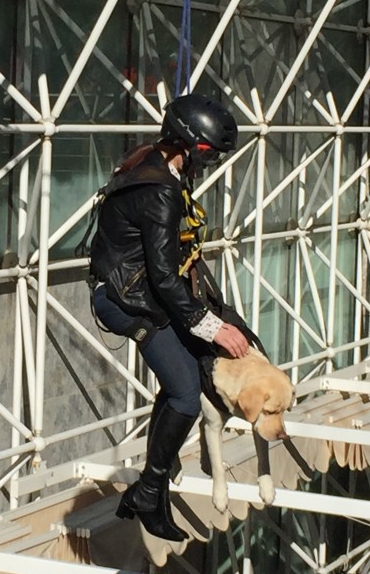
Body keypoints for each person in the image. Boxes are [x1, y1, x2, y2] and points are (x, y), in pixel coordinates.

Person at [88, 93, 250, 542]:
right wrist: (214, 326)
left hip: (140, 294)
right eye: (207, 153)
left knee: (182, 376)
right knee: (184, 392)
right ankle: (148, 491)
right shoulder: (159, 189)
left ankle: (149, 490)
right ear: (188, 144)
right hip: (126, 303)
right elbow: (161, 277)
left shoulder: (157, 167)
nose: (209, 162)